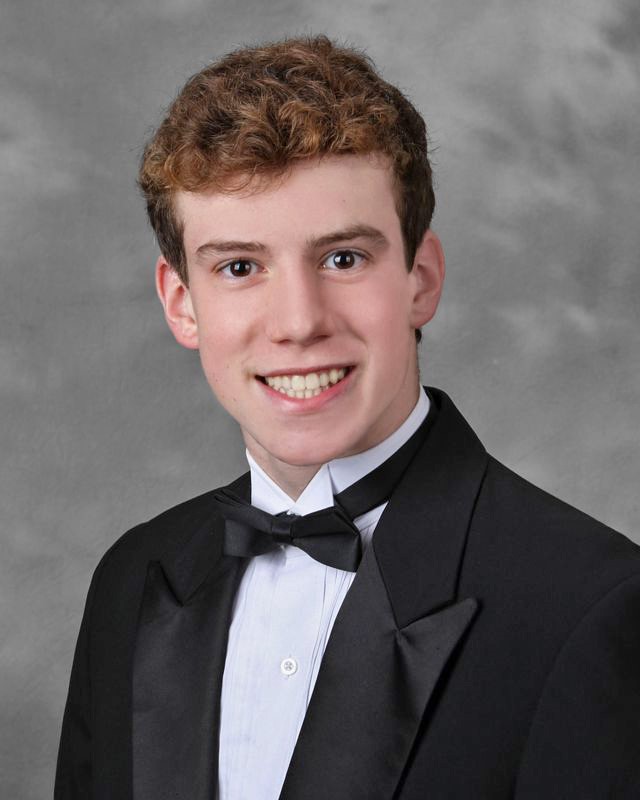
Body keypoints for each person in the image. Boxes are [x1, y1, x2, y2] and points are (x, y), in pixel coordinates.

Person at [55, 35, 640, 799]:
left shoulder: (591, 604)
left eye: (343, 259)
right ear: (181, 303)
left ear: (420, 279)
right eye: (240, 267)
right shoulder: (133, 579)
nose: (299, 322)